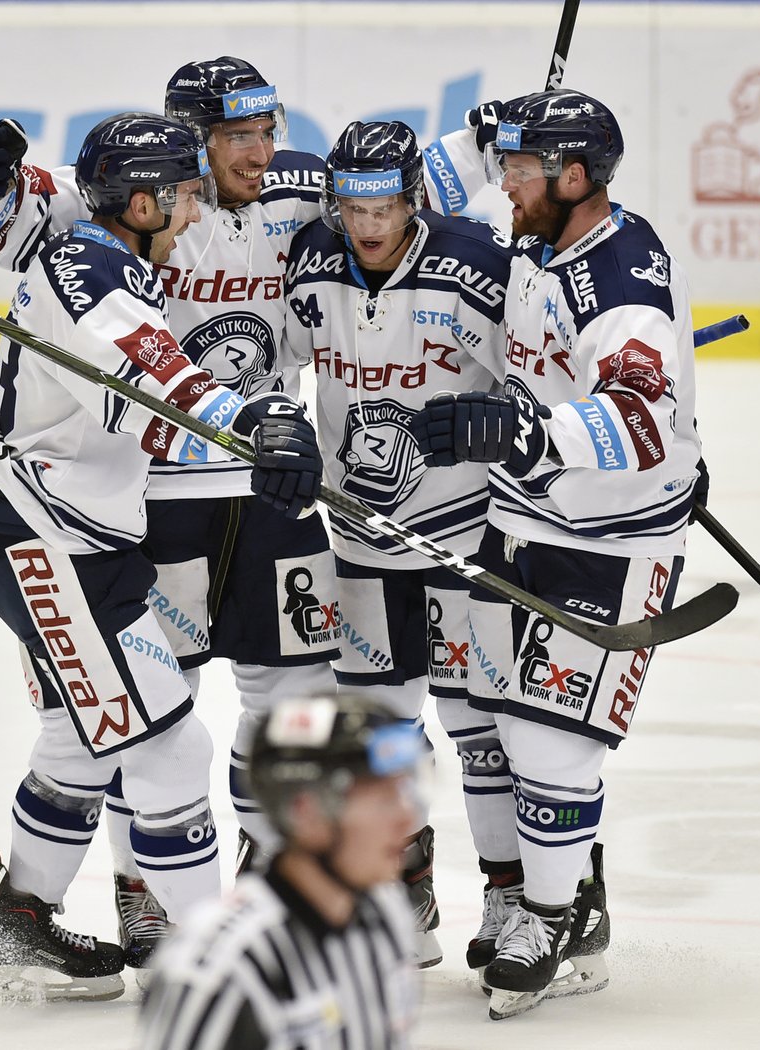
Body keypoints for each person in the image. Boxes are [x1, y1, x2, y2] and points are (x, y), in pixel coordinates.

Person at [0, 57, 343, 974]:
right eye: (186, 193)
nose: (200, 211)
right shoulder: (93, 266)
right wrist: (256, 422)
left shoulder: (117, 242)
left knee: (87, 742)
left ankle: (23, 918)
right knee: (170, 746)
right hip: (44, 543)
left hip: (82, 539)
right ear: (140, 198)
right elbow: (156, 392)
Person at [411, 88, 702, 1019]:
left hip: (610, 542)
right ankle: (553, 891)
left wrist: (526, 433)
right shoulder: (537, 234)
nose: (505, 182)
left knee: (552, 743)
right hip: (522, 523)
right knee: (486, 721)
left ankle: (555, 907)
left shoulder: (620, 280)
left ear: (574, 177)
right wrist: (482, 129)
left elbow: (642, 418)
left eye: (522, 169)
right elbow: (418, 191)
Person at [283, 119, 528, 968]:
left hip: (464, 536)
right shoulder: (311, 259)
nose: (371, 224)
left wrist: (510, 423)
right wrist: (277, 425)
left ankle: (508, 893)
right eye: (354, 207)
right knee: (385, 724)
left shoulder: (478, 269)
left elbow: (537, 382)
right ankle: (407, 877)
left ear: (412, 199)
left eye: (386, 205)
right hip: (360, 539)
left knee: (477, 724)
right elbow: (275, 367)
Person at [136, 692, 425, 1050]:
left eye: (403, 794)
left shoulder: (384, 912)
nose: (405, 818)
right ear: (308, 812)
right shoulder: (218, 970)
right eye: (382, 800)